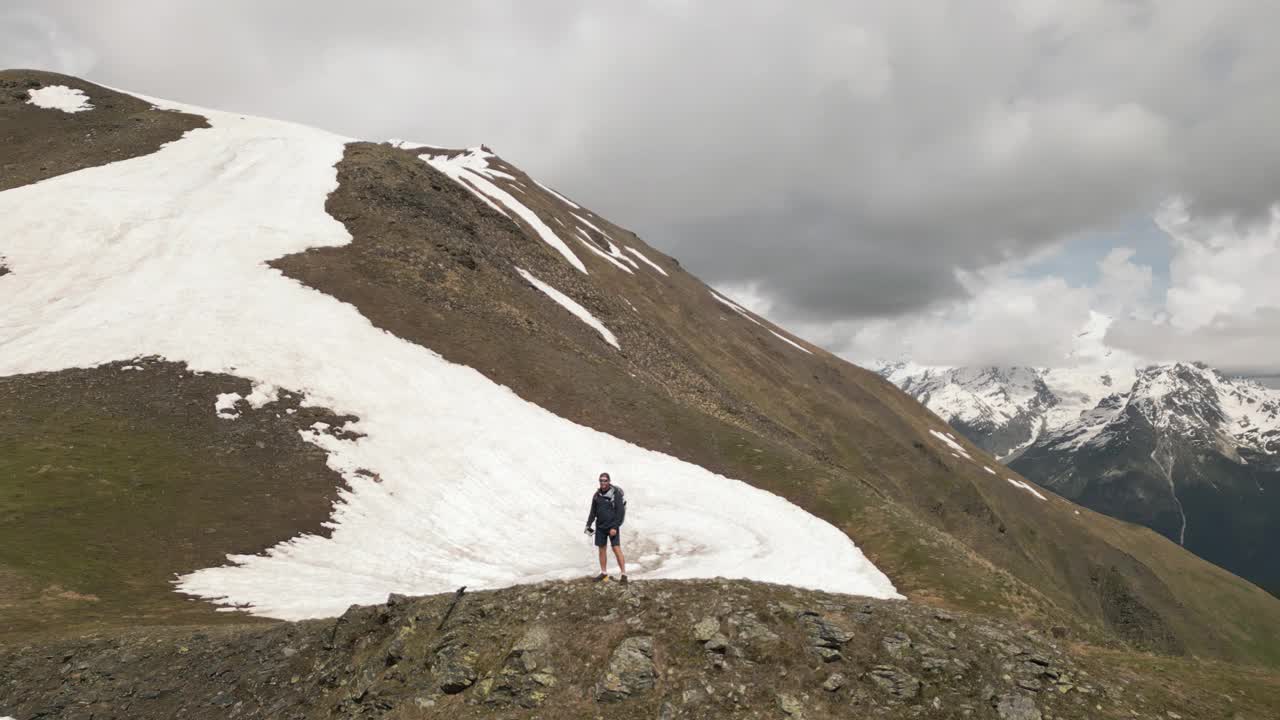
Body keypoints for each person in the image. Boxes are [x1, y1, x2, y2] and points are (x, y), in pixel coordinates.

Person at [584, 471, 627, 583]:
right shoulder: (597, 495)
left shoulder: (615, 494)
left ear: (609, 481)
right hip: (600, 527)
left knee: (616, 548)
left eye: (605, 480)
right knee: (601, 549)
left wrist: (614, 527)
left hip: (612, 527)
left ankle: (624, 575)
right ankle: (604, 573)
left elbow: (620, 512)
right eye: (601, 480)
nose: (603, 482)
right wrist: (588, 524)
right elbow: (593, 512)